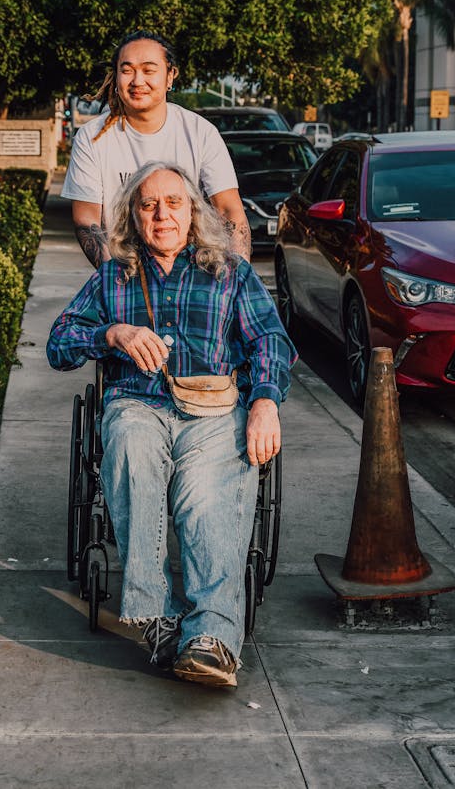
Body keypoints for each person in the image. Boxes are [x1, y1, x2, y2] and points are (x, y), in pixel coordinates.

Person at [47, 162, 296, 688]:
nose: (162, 215)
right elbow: (59, 343)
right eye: (148, 205)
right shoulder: (113, 277)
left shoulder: (229, 272)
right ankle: (158, 616)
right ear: (134, 217)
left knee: (207, 492)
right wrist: (112, 333)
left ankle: (212, 637)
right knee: (133, 455)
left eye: (174, 203)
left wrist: (266, 401)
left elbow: (270, 340)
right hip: (136, 404)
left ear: (193, 212)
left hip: (212, 408)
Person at [60, 30, 251, 266]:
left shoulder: (201, 133)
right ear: (116, 76)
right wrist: (115, 279)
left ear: (170, 76)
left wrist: (239, 280)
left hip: (195, 273)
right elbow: (86, 219)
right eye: (127, 70)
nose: (138, 81)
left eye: (149, 70)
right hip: (124, 272)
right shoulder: (92, 138)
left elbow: (229, 211)